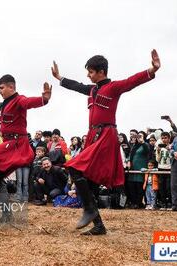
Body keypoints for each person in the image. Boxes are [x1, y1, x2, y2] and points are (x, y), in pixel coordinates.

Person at [51, 49, 160, 235]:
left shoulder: (114, 87)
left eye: (91, 72)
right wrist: (60, 78)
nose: (88, 75)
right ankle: (99, 225)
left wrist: (152, 70)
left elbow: (131, 82)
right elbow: (77, 86)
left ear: (101, 72)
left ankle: (90, 210)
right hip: (93, 137)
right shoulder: (92, 89)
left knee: (75, 167)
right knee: (90, 182)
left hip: (106, 135)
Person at [0, 74, 51, 222]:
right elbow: (3, 107)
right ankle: (6, 213)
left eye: (2, 88)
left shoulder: (19, 99)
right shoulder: (5, 103)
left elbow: (29, 102)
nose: (0, 91)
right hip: (8, 146)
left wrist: (44, 99)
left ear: (11, 87)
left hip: (17, 146)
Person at [128, 131, 149, 208]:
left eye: (141, 136)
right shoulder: (134, 146)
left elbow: (147, 152)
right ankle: (133, 202)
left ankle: (138, 202)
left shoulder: (145, 145)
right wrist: (128, 162)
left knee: (140, 186)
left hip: (141, 168)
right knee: (132, 186)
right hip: (133, 169)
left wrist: (142, 142)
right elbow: (131, 155)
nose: (139, 137)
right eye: (138, 136)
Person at [155, 131, 172, 210]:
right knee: (161, 187)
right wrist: (158, 151)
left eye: (165, 138)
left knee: (169, 187)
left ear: (169, 138)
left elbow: (173, 158)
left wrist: (169, 150)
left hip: (169, 169)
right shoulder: (159, 147)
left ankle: (169, 203)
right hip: (161, 168)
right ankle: (163, 202)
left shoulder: (172, 146)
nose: (164, 140)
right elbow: (157, 160)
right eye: (162, 138)